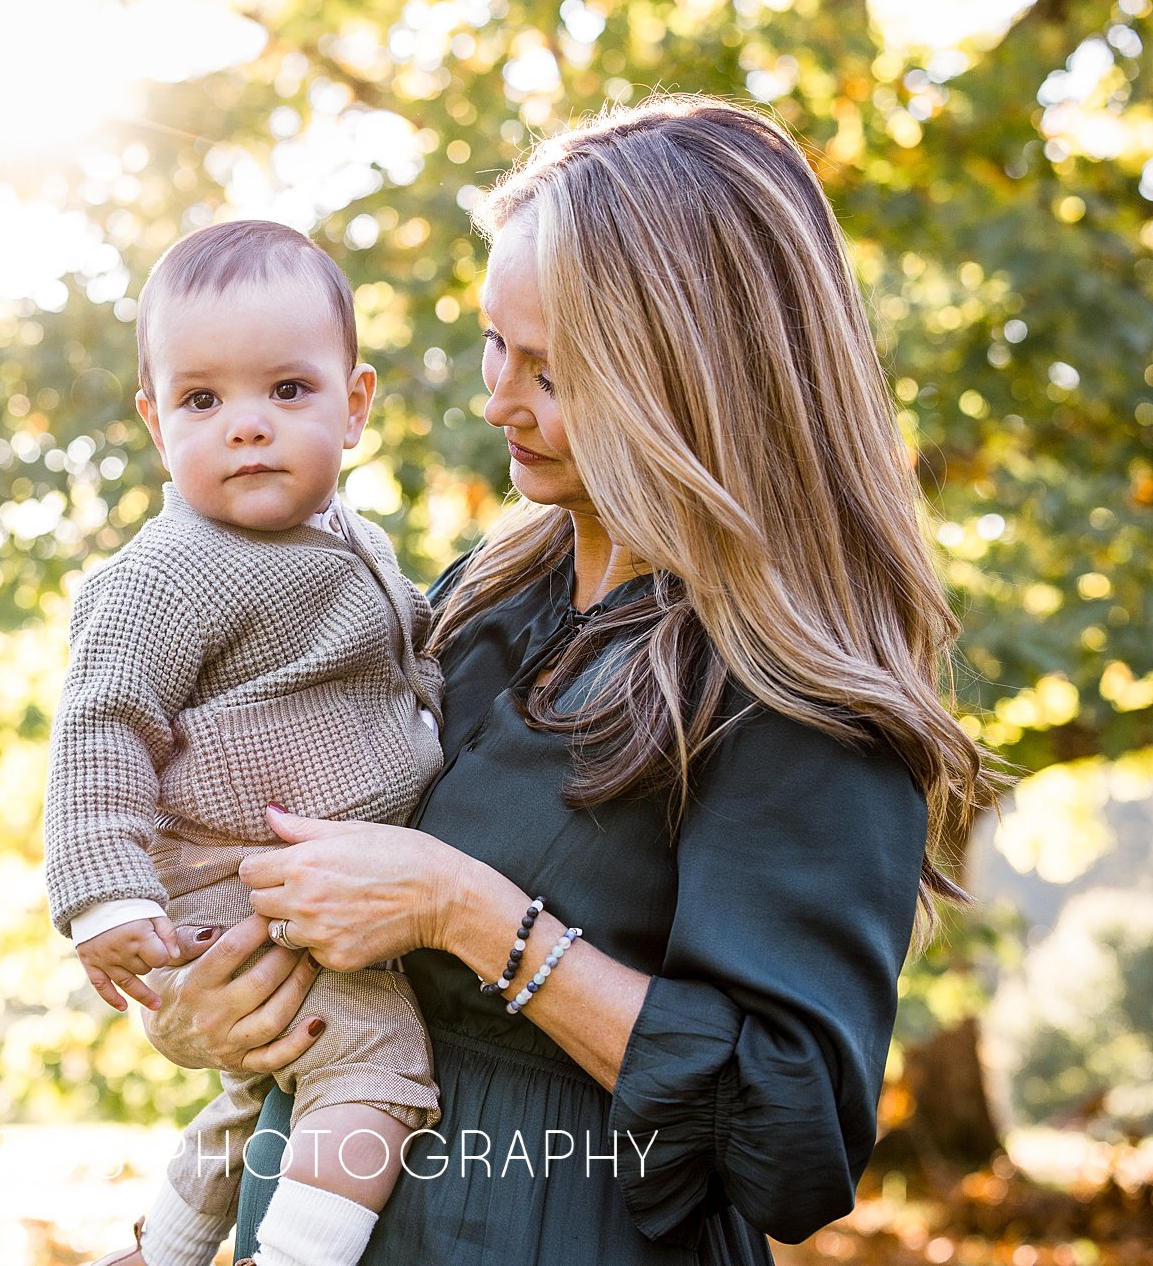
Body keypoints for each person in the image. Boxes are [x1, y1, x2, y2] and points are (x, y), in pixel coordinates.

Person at [134, 95, 1005, 1265]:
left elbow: (794, 1140)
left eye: (549, 369)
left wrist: (468, 912)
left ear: (690, 378)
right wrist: (208, 1011)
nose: (497, 400)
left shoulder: (792, 694)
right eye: (497, 341)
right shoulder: (473, 603)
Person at [44, 219, 450, 1266]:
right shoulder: (164, 573)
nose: (245, 428)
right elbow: (99, 726)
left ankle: (162, 1250)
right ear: (153, 421)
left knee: (263, 1077)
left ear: (353, 406)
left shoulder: (351, 539)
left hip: (296, 885)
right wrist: (108, 897)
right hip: (240, 879)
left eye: (287, 390)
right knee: (374, 1066)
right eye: (200, 400)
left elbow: (413, 642)